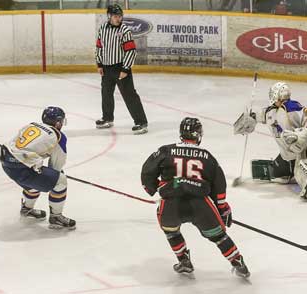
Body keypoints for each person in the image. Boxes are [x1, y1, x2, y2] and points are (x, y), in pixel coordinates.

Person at [141, 117, 250, 278]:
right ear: (198, 135)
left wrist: (155, 188)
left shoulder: (165, 151)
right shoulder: (206, 156)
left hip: (171, 205)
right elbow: (219, 184)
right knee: (219, 236)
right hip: (201, 206)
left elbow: (147, 172)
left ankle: (184, 260)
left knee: (171, 231)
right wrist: (222, 208)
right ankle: (238, 262)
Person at [234, 82, 307, 202]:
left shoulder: (293, 107)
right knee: (278, 174)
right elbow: (258, 115)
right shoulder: (270, 112)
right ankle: (289, 171)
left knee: (302, 173)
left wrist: (302, 135)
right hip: (288, 154)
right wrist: (249, 119)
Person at [0, 106, 75, 230]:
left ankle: (27, 209)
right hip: (22, 167)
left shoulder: (31, 125)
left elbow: (15, 145)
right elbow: (56, 166)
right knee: (60, 181)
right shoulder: (59, 136)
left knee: (35, 178)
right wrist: (54, 175)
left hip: (6, 162)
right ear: (58, 122)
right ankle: (56, 217)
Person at [95, 4, 149, 134]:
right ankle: (107, 118)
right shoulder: (103, 28)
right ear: (109, 16)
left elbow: (131, 51)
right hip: (107, 68)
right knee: (106, 93)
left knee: (129, 95)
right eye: (115, 16)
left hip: (121, 67)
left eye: (120, 16)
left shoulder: (125, 30)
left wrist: (125, 69)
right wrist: (99, 64)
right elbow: (99, 47)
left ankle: (141, 122)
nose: (118, 18)